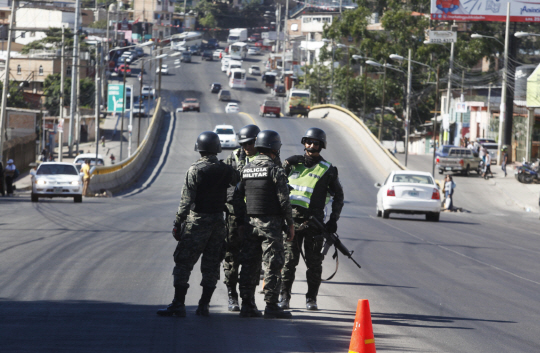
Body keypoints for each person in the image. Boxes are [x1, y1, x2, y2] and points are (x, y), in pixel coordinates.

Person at [157, 131, 236, 318]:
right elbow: (235, 189)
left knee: (183, 262)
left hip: (197, 222)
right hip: (218, 223)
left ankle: (178, 304)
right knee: (211, 264)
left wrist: (178, 222)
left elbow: (186, 200)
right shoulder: (227, 170)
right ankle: (204, 305)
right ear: (217, 148)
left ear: (199, 149)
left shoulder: (195, 170)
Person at [278, 128, 344, 311]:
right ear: (304, 143)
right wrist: (286, 163)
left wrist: (333, 219)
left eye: (316, 143)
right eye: (309, 142)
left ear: (321, 146)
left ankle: (311, 299)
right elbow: (275, 184)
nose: (312, 146)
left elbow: (339, 196)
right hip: (291, 223)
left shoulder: (328, 170)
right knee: (289, 262)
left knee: (314, 264)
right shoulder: (292, 164)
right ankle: (284, 297)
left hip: (314, 224)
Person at [234, 130, 295, 319]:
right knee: (273, 264)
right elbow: (284, 201)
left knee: (249, 265)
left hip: (250, 223)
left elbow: (237, 197)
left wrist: (241, 221)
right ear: (274, 148)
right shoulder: (275, 170)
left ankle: (247, 305)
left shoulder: (246, 169)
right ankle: (271, 306)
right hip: (271, 225)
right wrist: (290, 224)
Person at [222, 124, 260, 312]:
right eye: (244, 144)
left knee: (253, 259)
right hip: (235, 216)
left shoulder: (267, 158)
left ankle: (249, 298)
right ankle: (232, 295)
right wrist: (235, 204)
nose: (246, 147)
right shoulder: (234, 158)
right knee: (231, 256)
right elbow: (225, 184)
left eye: (250, 143)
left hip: (256, 215)